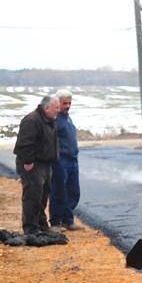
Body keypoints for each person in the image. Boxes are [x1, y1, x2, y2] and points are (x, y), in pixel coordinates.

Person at [13, 94, 61, 236]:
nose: (58, 110)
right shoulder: (32, 120)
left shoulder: (49, 120)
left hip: (45, 164)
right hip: (33, 164)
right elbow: (26, 143)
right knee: (32, 196)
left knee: (43, 196)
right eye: (56, 108)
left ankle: (41, 225)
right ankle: (31, 228)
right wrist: (28, 162)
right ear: (46, 108)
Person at [47, 90, 82, 231]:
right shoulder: (55, 120)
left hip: (73, 160)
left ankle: (68, 220)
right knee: (58, 191)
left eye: (69, 103)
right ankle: (55, 222)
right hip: (61, 161)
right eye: (64, 103)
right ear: (58, 103)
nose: (67, 106)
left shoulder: (68, 118)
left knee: (73, 191)